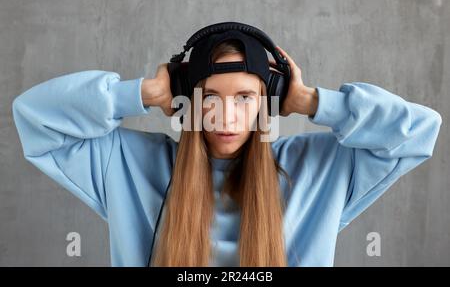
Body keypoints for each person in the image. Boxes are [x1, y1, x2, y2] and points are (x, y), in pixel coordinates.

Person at [12, 40, 442, 267]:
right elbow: (36, 118)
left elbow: (419, 131)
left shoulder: (318, 170)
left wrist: (313, 102)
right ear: (187, 99)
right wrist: (141, 93)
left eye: (244, 97)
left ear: (269, 100)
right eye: (209, 96)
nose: (224, 115)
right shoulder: (128, 165)